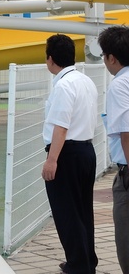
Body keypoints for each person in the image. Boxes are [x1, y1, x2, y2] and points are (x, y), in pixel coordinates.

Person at [41, 34, 98, 274]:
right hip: (86, 149)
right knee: (83, 210)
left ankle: (78, 265)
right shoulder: (85, 80)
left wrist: (51, 160)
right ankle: (85, 260)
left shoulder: (64, 85)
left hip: (68, 154)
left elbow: (61, 126)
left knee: (67, 212)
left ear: (50, 59)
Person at [99, 25, 129, 273]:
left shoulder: (119, 86)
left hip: (128, 171)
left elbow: (126, 133)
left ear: (112, 57)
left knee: (126, 240)